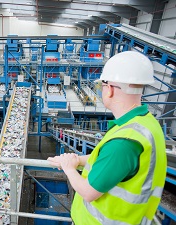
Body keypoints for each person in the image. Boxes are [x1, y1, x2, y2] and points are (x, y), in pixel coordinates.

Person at [48, 51, 167, 225]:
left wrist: (69, 168)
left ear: (109, 89)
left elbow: (88, 192)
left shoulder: (124, 143)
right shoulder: (145, 123)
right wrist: (78, 159)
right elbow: (108, 160)